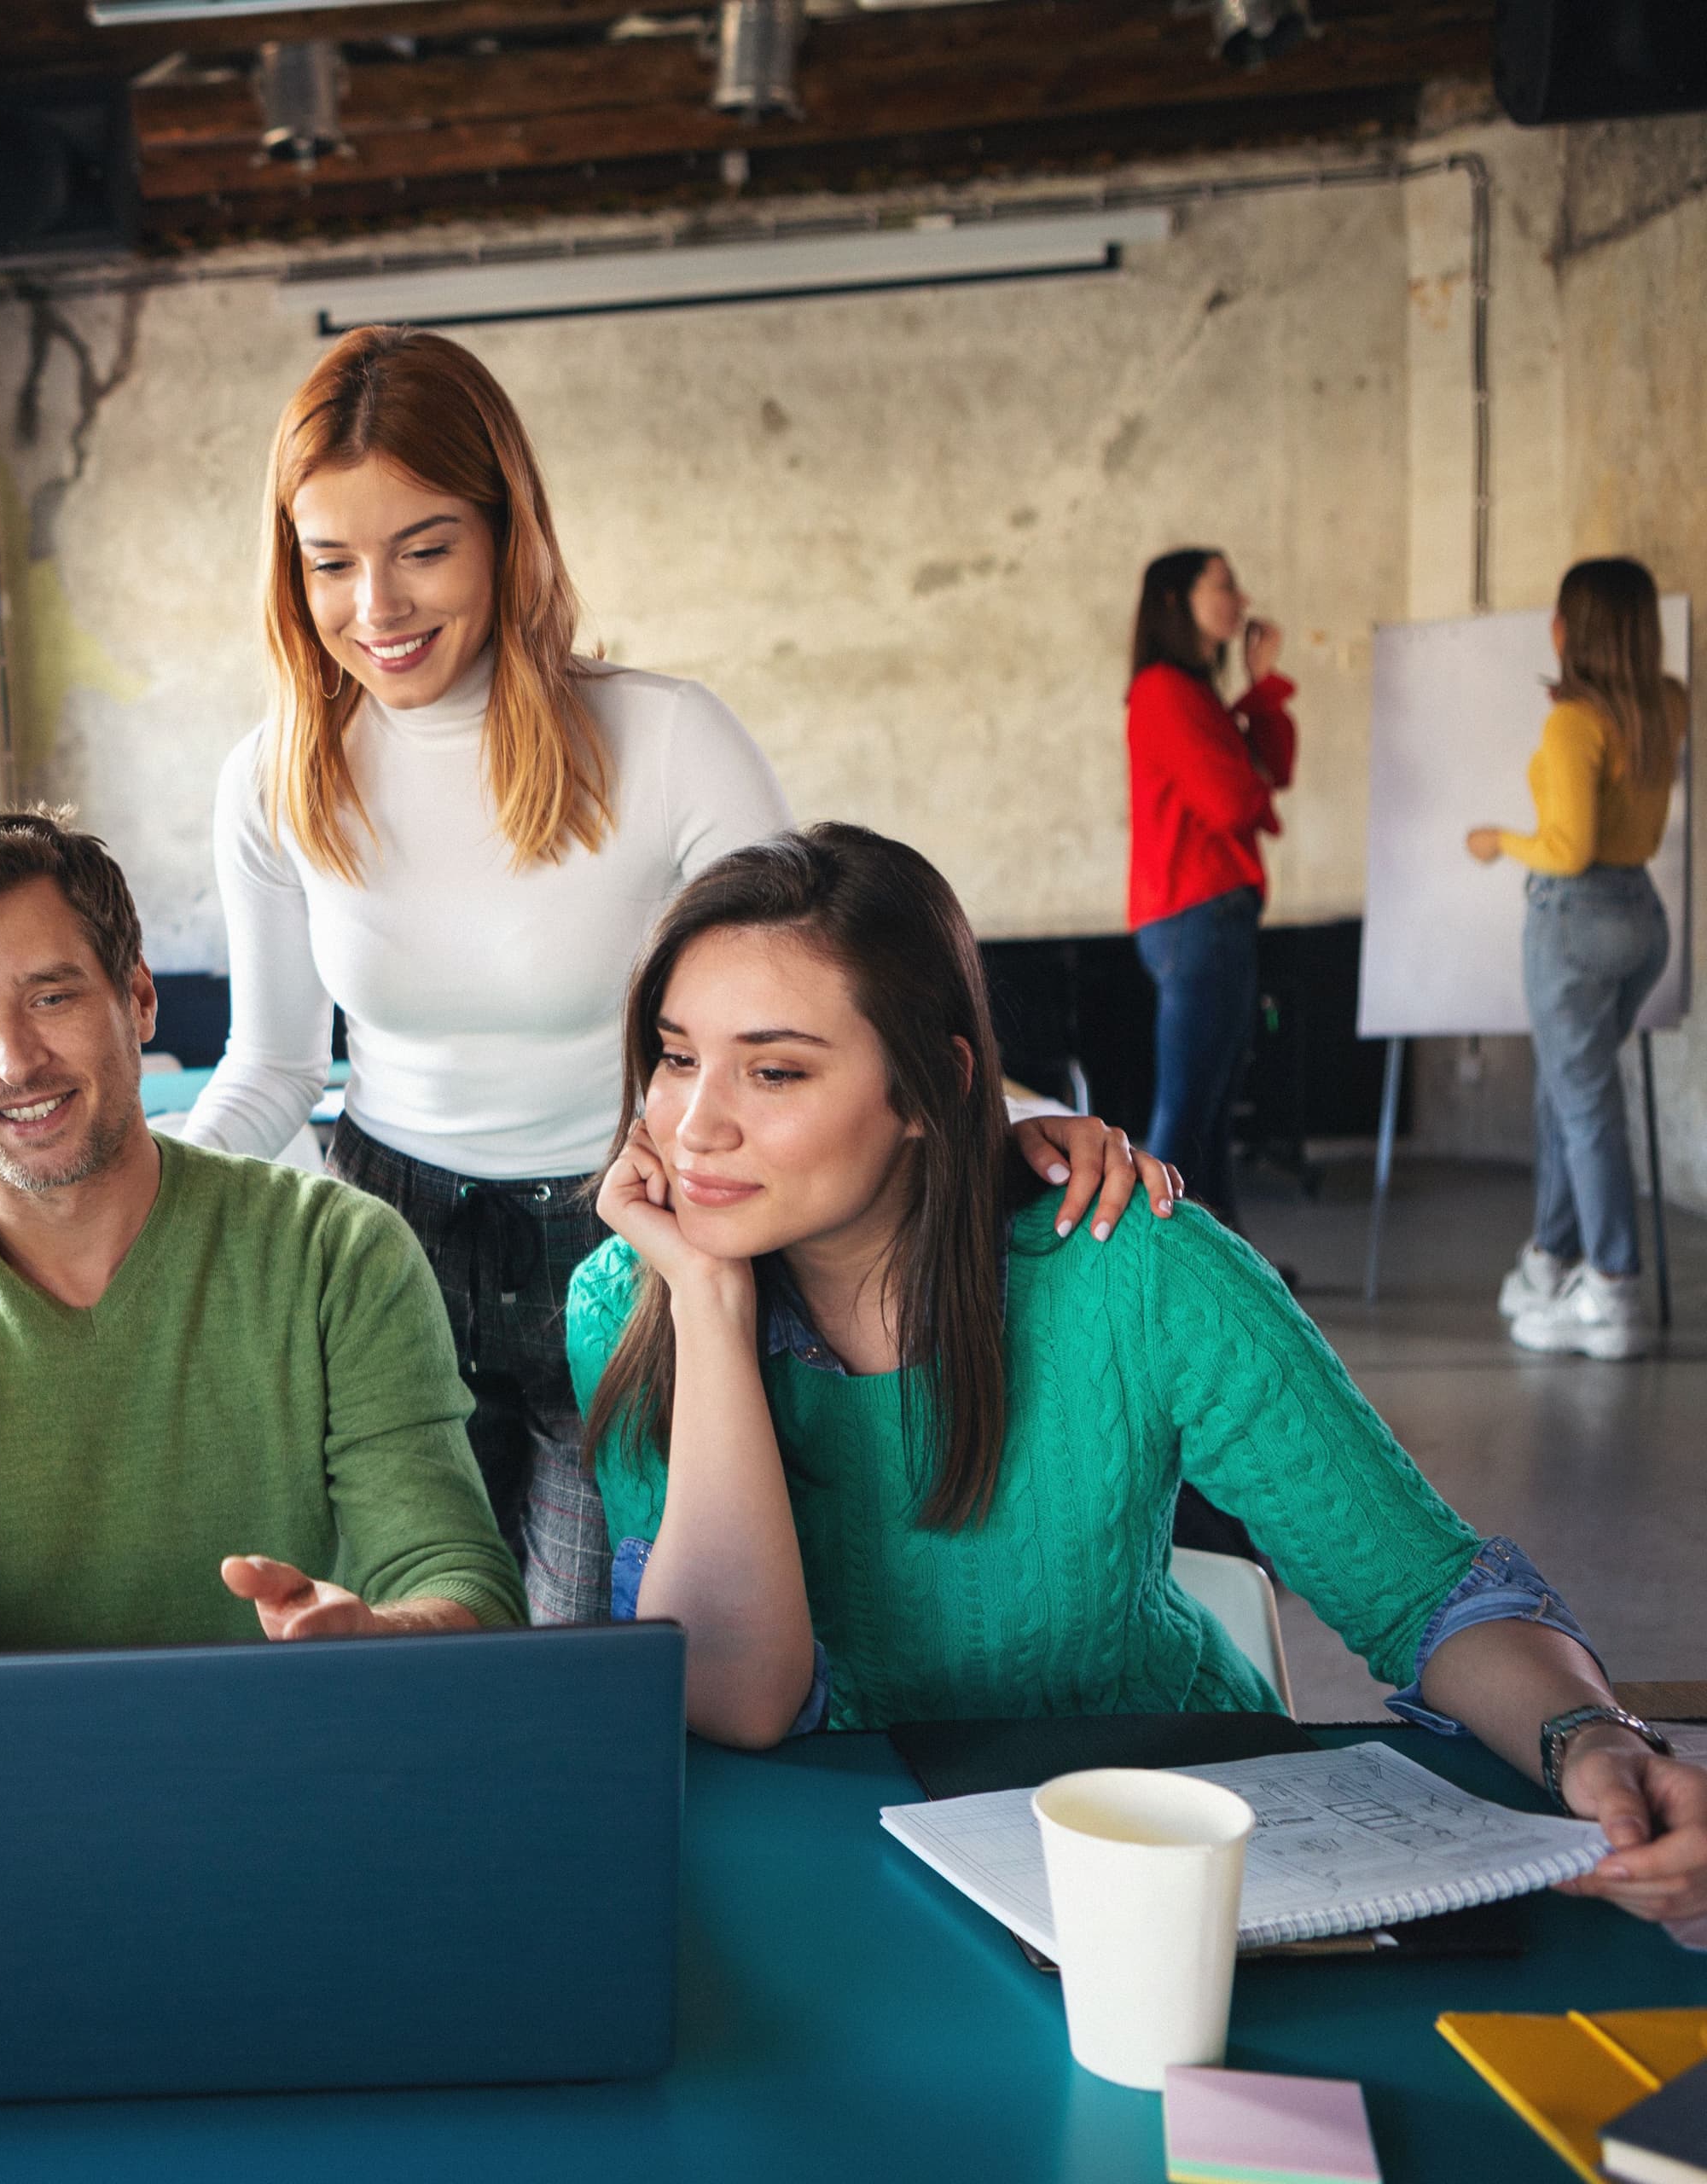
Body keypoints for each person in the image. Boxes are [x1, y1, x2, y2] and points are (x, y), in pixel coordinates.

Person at [184, 325, 1171, 1622]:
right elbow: (271, 1064)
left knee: (597, 1656)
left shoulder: (665, 740)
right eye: (330, 563)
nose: (378, 609)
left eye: (424, 549)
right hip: (387, 1247)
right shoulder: (272, 778)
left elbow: (827, 1004)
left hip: (630, 1231)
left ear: (505, 533)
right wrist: (144, 1212)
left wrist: (1023, 1125)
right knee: (405, 1646)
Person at [572, 822, 1706, 1927]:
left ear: (927, 1089)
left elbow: (1419, 1590)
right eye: (674, 1057)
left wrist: (1595, 1739)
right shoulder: (631, 1302)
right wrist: (709, 1308)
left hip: (1175, 1845)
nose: (692, 1124)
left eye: (772, 1071)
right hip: (843, 1878)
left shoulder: (1135, 1268)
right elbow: (738, 1699)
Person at [0, 809, 525, 1667]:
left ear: (138, 1000)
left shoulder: (340, 1255)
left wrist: (382, 1638)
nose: (13, 1061)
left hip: (291, 1761)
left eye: (52, 997)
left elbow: (459, 1577)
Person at [1466, 557, 1686, 1362]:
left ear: (1568, 630)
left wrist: (1496, 842)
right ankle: (1554, 1258)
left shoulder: (1573, 725)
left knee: (1584, 1104)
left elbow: (1566, 847)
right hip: (1641, 922)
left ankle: (1614, 1289)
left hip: (1575, 922)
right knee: (1570, 1093)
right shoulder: (1666, 703)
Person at [1125, 545, 1296, 1219]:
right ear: (1176, 599)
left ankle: (1229, 1268)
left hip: (1210, 916)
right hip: (1197, 915)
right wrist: (1249, 780)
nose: (1241, 599)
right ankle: (1146, 1278)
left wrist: (1261, 682)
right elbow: (1232, 801)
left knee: (1211, 1111)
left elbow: (1272, 770)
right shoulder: (1163, 691)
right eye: (1224, 585)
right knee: (1187, 1114)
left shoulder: (1195, 694)